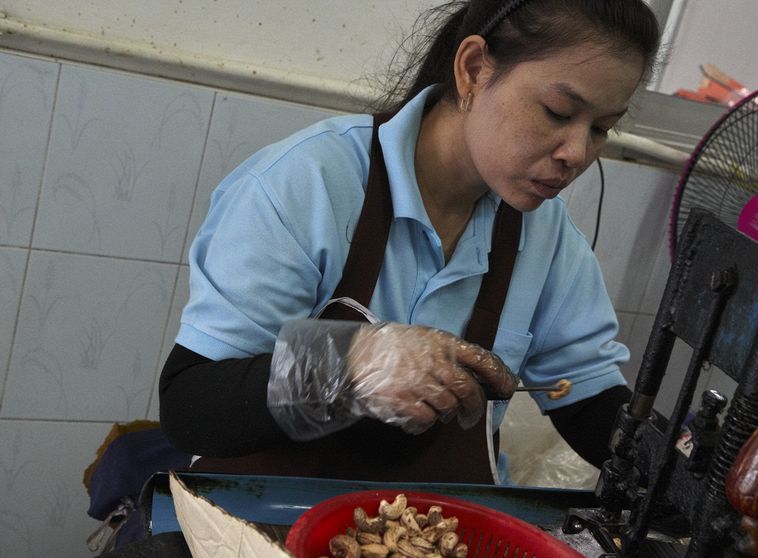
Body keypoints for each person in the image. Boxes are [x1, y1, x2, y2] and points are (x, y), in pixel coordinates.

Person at [159, 0, 661, 484]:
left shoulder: (546, 238)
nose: (576, 153)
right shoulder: (309, 183)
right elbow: (190, 407)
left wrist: (696, 475)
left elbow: (592, 407)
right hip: (259, 536)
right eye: (557, 111)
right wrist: (347, 364)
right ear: (473, 69)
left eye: (601, 129)